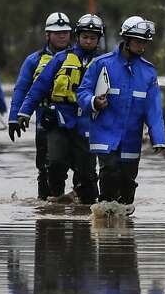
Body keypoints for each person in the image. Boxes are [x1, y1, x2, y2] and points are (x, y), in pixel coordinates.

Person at [76, 16, 165, 205]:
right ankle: (104, 215)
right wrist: (94, 102)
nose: (142, 46)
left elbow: (154, 109)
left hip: (131, 137)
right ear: (126, 39)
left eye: (145, 42)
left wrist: (158, 138)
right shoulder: (102, 64)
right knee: (109, 172)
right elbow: (83, 91)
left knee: (127, 183)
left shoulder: (148, 72)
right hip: (104, 133)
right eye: (138, 41)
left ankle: (123, 220)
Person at [18, 14, 105, 203]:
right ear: (78, 36)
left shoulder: (104, 62)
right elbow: (38, 87)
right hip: (60, 118)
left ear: (98, 40)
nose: (88, 41)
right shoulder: (61, 58)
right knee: (55, 161)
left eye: (92, 38)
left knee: (87, 171)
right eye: (85, 37)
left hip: (88, 122)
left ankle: (86, 205)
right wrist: (24, 112)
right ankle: (54, 200)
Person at [8, 11, 74, 199]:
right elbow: (21, 89)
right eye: (57, 33)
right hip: (45, 120)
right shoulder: (33, 60)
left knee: (81, 167)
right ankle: (47, 207)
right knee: (46, 167)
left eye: (65, 32)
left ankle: (80, 204)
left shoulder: (79, 58)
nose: (62, 36)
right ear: (47, 35)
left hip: (75, 120)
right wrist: (14, 118)